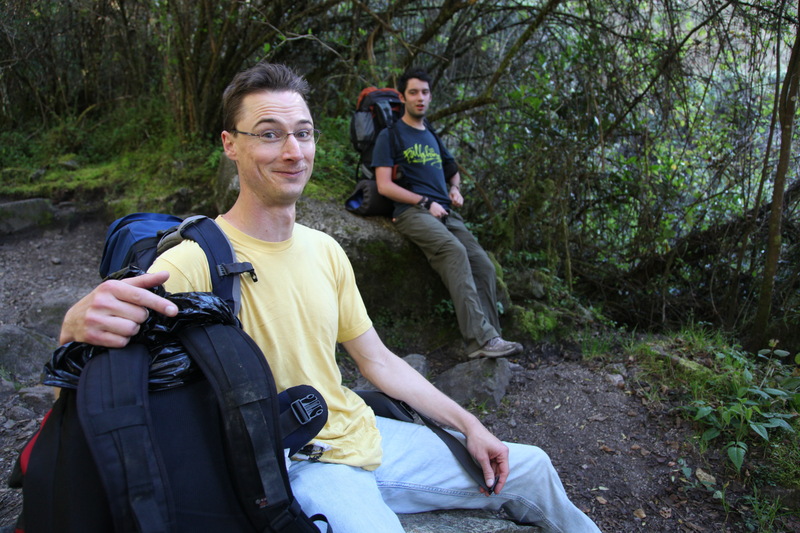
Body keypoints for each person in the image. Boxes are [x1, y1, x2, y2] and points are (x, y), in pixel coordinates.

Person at [60, 62, 600, 533]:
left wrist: (469, 426)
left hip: (363, 431)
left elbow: (377, 360)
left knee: (531, 467)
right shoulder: (192, 260)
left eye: (303, 133)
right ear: (231, 144)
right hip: (294, 463)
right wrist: (74, 323)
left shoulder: (325, 249)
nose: (292, 151)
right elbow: (97, 364)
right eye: (269, 134)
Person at [372, 67, 522, 360]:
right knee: (454, 251)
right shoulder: (390, 136)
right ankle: (480, 340)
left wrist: (455, 189)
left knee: (484, 265)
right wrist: (425, 202)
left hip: (446, 213)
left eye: (425, 92)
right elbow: (384, 185)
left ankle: (494, 340)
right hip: (412, 212)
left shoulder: (431, 134)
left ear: (430, 97)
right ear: (402, 97)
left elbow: (453, 172)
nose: (420, 98)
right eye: (413, 92)